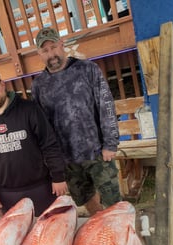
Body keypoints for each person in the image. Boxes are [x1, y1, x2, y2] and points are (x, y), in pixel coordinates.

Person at [31, 27, 121, 215]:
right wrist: (52, 161)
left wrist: (110, 143)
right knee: (87, 200)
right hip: (67, 159)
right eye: (45, 50)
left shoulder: (87, 69)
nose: (51, 54)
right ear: (39, 53)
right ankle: (100, 232)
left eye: (54, 47)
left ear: (62, 44)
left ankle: (123, 237)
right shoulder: (39, 84)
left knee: (114, 203)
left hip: (97, 152)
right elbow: (41, 126)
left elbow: (106, 105)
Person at [0, 67, 68, 216]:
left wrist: (58, 176)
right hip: (7, 193)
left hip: (40, 187)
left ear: (3, 85)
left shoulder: (30, 109)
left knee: (46, 229)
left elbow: (49, 144)